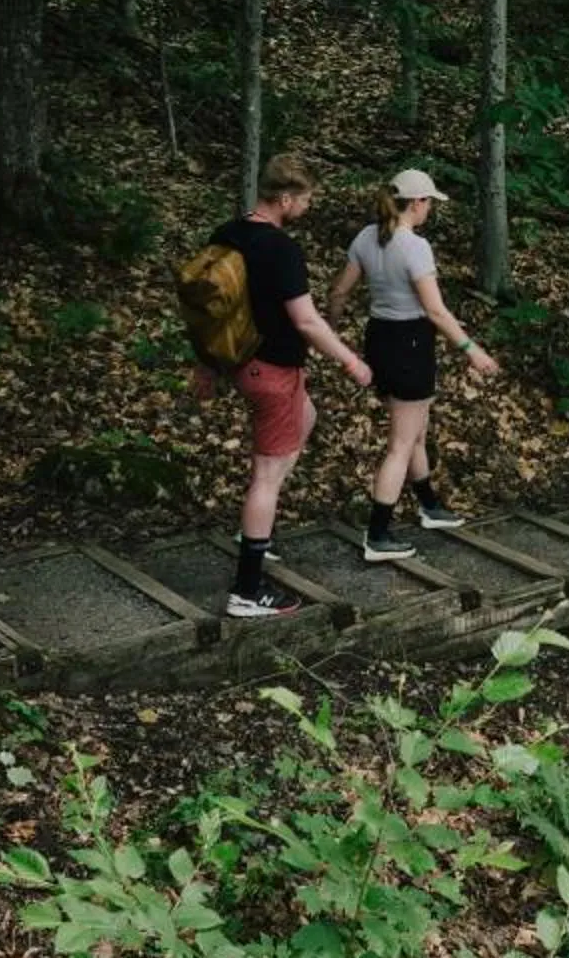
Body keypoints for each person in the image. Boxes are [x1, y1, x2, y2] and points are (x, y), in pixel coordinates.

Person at [203, 152, 369, 619]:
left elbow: (211, 305)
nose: (309, 206)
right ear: (285, 198)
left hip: (241, 363)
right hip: (271, 370)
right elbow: (308, 322)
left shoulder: (228, 235)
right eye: (307, 198)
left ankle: (257, 527)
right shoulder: (280, 249)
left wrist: (208, 364)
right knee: (267, 476)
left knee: (307, 418)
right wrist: (350, 360)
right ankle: (248, 589)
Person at [326, 167, 500, 562]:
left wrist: (333, 334)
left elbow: (338, 291)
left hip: (380, 338)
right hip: (411, 342)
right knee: (401, 443)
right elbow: (436, 311)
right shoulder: (415, 247)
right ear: (417, 203)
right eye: (429, 204)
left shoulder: (366, 238)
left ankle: (429, 506)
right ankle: (378, 533)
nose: (430, 211)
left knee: (415, 429)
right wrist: (471, 348)